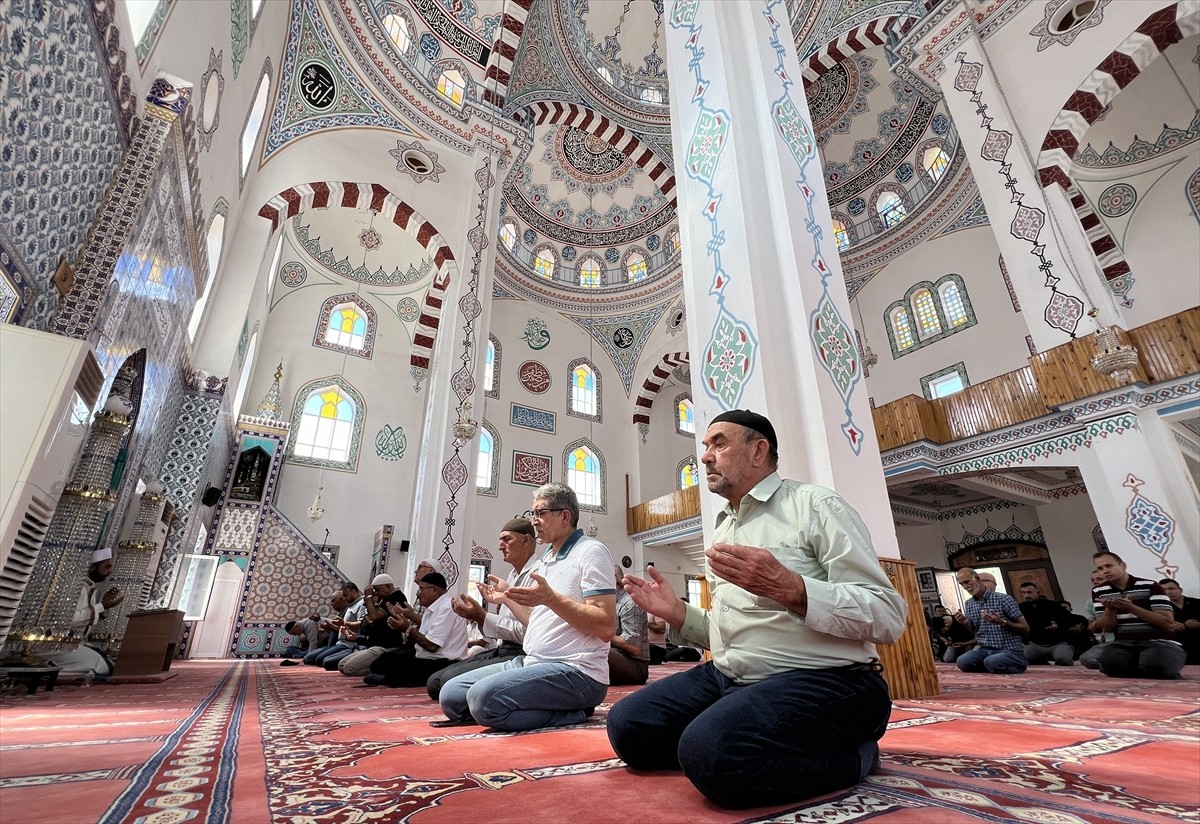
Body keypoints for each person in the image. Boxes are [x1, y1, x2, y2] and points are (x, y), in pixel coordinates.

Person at [607, 410, 907, 809]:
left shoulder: (815, 506)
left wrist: (794, 589)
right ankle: (742, 739)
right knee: (628, 728)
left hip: (831, 681)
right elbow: (739, 631)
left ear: (758, 450)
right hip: (734, 676)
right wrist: (679, 615)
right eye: (705, 447)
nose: (706, 457)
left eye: (719, 443)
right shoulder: (726, 526)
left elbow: (888, 616)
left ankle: (858, 756)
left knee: (710, 753)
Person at [434, 483, 615, 731]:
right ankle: (540, 707)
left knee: (481, 699)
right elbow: (532, 620)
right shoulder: (546, 560)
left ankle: (574, 713)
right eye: (533, 514)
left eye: (540, 513)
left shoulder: (591, 552)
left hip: (576, 671)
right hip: (532, 662)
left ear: (565, 516)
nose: (534, 521)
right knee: (451, 695)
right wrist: (506, 597)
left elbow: (605, 625)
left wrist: (551, 598)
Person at [426, 518, 540, 700]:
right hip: (503, 649)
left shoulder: (538, 575)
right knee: (435, 681)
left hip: (522, 652)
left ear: (526, 540)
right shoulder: (511, 576)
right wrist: (480, 617)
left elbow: (530, 632)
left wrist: (481, 617)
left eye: (506, 539)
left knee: (445, 683)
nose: (500, 546)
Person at [365, 572, 468, 687]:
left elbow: (432, 646)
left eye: (421, 589)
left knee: (398, 670)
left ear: (434, 590)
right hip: (425, 655)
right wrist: (404, 621)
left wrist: (407, 628)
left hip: (443, 661)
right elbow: (422, 639)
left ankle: (390, 679)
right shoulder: (433, 607)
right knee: (384, 660)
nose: (418, 593)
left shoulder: (447, 608)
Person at [1091, 552, 1184, 679]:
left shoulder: (1150, 586)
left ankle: (1158, 661)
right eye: (1100, 568)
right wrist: (1110, 610)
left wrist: (1132, 608)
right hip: (1123, 642)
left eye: (1109, 566)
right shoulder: (1099, 591)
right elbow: (1107, 628)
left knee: (1155, 666)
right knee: (1108, 665)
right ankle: (1142, 664)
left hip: (1157, 641)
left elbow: (1167, 623)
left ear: (1123, 565)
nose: (1105, 571)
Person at [50, 548, 124, 679]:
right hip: (57, 643)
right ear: (92, 567)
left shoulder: (90, 588)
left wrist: (104, 607)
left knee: (110, 661)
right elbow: (68, 620)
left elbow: (85, 620)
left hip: (76, 643)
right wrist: (102, 606)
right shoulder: (74, 587)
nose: (109, 572)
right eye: (106, 567)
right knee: (99, 664)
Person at [953, 568, 1028, 674]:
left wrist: (1001, 622)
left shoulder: (1003, 599)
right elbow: (975, 631)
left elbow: (1025, 629)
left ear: (978, 579)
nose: (965, 587)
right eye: (961, 584)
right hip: (984, 650)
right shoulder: (969, 604)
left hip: (1009, 649)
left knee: (992, 661)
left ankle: (1017, 664)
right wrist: (965, 623)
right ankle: (994, 667)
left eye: (967, 582)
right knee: (962, 662)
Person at [336, 574, 411, 676]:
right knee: (341, 665)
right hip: (374, 645)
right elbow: (372, 619)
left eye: (378, 589)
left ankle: (385, 669)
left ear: (388, 586)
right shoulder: (385, 599)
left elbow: (374, 616)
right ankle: (379, 666)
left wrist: (369, 596)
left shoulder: (396, 597)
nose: (376, 593)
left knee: (349, 668)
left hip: (385, 647)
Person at [608, 566, 649, 685]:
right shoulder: (614, 602)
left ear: (614, 578)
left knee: (598, 653)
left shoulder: (629, 603)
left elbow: (634, 647)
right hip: (620, 657)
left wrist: (602, 634)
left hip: (636, 666)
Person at [1017, 581, 1074, 666]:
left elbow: (1070, 620)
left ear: (1038, 592)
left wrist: (1058, 625)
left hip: (1058, 643)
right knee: (1022, 659)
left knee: (1063, 659)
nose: (1026, 595)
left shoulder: (1053, 605)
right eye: (1023, 593)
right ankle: (1041, 660)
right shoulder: (1020, 607)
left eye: (1029, 592)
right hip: (1035, 644)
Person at [1160, 578, 1200, 664]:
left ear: (1180, 590)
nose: (1168, 592)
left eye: (1171, 589)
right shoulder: (1162, 608)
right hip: (1178, 647)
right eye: (1164, 590)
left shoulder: (1197, 603)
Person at [1080, 568, 1111, 669]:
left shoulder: (1119, 596)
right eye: (1092, 580)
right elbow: (1093, 626)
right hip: (1106, 641)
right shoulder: (1090, 602)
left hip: (1124, 638)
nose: (1095, 582)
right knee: (1086, 659)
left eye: (1099, 579)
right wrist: (1093, 626)